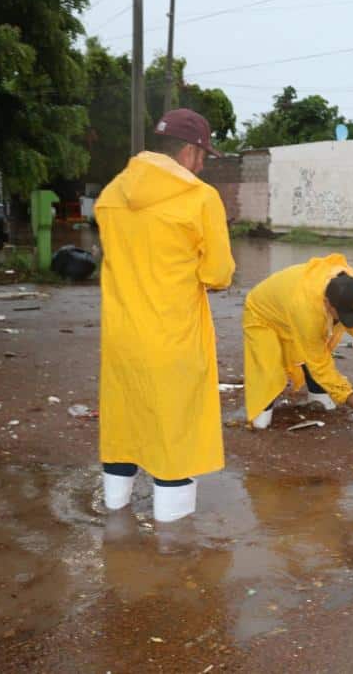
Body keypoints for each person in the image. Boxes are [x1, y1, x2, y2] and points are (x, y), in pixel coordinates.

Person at [95, 108, 235, 522]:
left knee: (123, 427)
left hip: (122, 337)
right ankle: (172, 553)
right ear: (190, 151)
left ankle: (116, 522)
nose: (203, 164)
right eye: (204, 155)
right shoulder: (200, 197)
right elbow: (218, 274)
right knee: (176, 437)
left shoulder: (112, 194)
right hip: (173, 337)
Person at [243, 254, 353, 429]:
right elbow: (317, 359)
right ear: (327, 303)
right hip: (262, 314)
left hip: (290, 305)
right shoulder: (306, 311)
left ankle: (317, 393)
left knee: (317, 346)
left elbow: (349, 315)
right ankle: (261, 409)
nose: (343, 320)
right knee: (268, 371)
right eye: (341, 315)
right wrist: (349, 397)